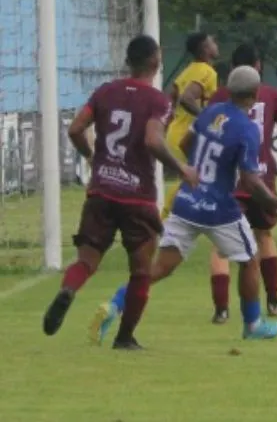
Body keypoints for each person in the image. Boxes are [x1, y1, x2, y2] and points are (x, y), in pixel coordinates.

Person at [90, 66, 277, 349]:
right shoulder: (247, 129)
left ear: (229, 90)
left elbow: (184, 142)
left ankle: (114, 305)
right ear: (255, 94)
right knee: (250, 260)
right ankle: (253, 324)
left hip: (187, 201)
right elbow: (251, 182)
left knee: (161, 267)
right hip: (219, 208)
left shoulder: (208, 112)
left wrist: (196, 171)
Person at [42, 35, 198, 339]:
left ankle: (68, 291)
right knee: (140, 272)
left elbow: (76, 129)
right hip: (136, 197)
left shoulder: (106, 91)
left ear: (129, 61)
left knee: (87, 260)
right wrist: (181, 167)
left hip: (101, 190)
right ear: (156, 61)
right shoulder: (157, 100)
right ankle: (125, 338)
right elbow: (153, 140)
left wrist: (92, 157)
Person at [203, 44, 277, 323]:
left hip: (228, 181)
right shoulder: (272, 95)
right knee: (264, 237)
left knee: (220, 246)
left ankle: (221, 310)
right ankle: (273, 301)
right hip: (261, 178)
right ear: (258, 67)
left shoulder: (218, 98)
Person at [162, 32, 220, 219]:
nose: (216, 44)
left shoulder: (188, 70)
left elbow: (172, 95)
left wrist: (168, 122)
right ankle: (160, 220)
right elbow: (186, 98)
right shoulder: (206, 71)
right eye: (212, 42)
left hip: (177, 132)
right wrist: (207, 118)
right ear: (205, 49)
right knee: (191, 178)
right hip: (186, 136)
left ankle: (177, 220)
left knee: (194, 178)